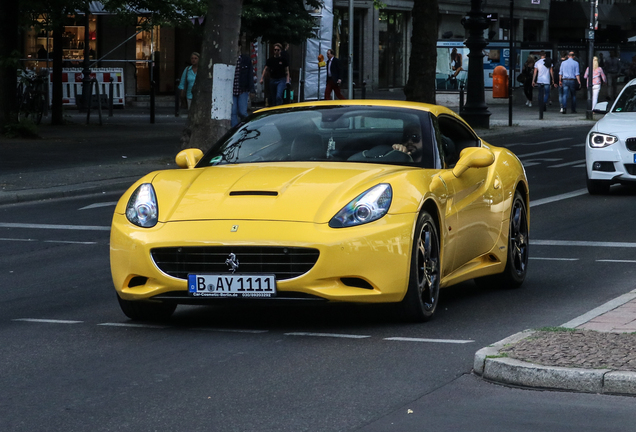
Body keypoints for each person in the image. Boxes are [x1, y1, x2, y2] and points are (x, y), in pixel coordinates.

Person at [231, 42, 255, 127]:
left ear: (239, 47)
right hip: (232, 90)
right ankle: (235, 131)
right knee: (233, 112)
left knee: (242, 112)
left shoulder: (245, 60)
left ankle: (248, 126)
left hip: (243, 89)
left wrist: (252, 89)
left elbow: (250, 75)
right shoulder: (229, 60)